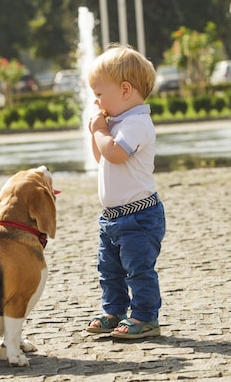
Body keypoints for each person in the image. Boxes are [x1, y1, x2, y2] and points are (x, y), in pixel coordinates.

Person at [85, 44, 166, 339]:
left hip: (139, 217)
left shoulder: (137, 124)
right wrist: (98, 132)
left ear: (125, 90)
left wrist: (100, 131)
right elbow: (101, 156)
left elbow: (116, 154)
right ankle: (114, 310)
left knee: (138, 270)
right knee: (110, 270)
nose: (96, 101)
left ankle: (145, 316)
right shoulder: (118, 122)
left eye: (99, 93)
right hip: (113, 218)